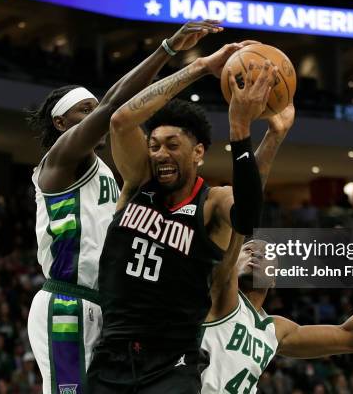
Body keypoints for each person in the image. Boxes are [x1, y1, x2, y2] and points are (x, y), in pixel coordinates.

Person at [25, 20, 224, 394]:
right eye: (84, 111)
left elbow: (114, 101)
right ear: (60, 122)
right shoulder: (60, 161)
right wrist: (171, 52)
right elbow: (117, 107)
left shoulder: (100, 167)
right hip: (67, 302)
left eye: (92, 108)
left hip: (106, 307)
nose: (92, 115)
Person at [88, 42, 280, 393]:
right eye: (155, 145)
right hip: (112, 353)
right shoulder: (138, 184)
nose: (161, 153)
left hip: (171, 364)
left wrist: (240, 129)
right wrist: (200, 67)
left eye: (172, 145)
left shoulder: (212, 201)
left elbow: (248, 216)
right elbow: (120, 119)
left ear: (198, 152)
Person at [200, 221, 353, 393]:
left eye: (267, 254)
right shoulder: (215, 295)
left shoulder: (276, 330)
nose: (258, 254)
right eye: (249, 249)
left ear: (273, 279)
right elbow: (234, 224)